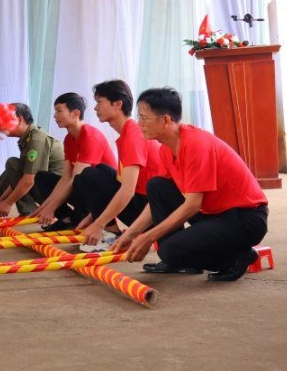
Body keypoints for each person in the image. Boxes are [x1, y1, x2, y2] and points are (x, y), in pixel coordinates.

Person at [113, 87, 269, 281]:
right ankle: (178, 259)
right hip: (214, 213)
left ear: (166, 120)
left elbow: (193, 204)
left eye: (144, 118)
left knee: (169, 251)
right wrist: (133, 233)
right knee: (157, 186)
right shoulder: (166, 149)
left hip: (245, 219)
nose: (139, 123)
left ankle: (236, 257)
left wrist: (149, 236)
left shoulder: (196, 145)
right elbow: (157, 204)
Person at [73, 80, 162, 252]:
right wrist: (94, 215)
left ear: (118, 104)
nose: (95, 108)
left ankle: (109, 232)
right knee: (100, 171)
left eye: (99, 102)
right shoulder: (127, 133)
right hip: (143, 202)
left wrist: (99, 224)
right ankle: (110, 231)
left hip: (152, 211)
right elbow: (122, 183)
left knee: (90, 175)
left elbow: (127, 190)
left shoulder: (133, 134)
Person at [32, 92, 117, 230]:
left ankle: (85, 217)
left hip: (102, 195)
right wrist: (44, 207)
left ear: (75, 113)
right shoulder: (68, 139)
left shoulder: (90, 136)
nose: (55, 116)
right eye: (55, 111)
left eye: (59, 111)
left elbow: (75, 179)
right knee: (42, 178)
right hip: (83, 188)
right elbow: (66, 177)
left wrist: (51, 208)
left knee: (80, 179)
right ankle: (68, 220)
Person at [0, 103, 64, 217]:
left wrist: (8, 203)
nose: (0, 126)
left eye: (5, 121)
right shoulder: (28, 137)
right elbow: (17, 178)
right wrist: (2, 199)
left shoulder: (36, 140)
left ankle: (28, 209)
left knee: (13, 164)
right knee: (13, 167)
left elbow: (29, 180)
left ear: (20, 119)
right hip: (47, 188)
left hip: (55, 194)